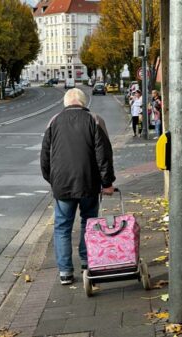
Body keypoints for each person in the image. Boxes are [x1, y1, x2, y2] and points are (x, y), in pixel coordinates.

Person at [40, 88, 116, 285]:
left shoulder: (54, 121)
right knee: (89, 222)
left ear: (66, 103)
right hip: (89, 182)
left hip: (62, 184)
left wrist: (53, 180)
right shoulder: (94, 120)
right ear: (84, 102)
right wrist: (107, 183)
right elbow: (104, 154)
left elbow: (45, 157)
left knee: (62, 227)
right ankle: (86, 262)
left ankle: (65, 272)